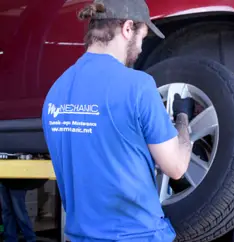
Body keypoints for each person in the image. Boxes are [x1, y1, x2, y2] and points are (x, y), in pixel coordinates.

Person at [41, 0, 193, 241]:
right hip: (138, 235)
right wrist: (184, 121)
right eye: (142, 37)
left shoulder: (56, 93)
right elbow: (176, 167)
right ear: (128, 28)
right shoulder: (138, 86)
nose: (141, 49)